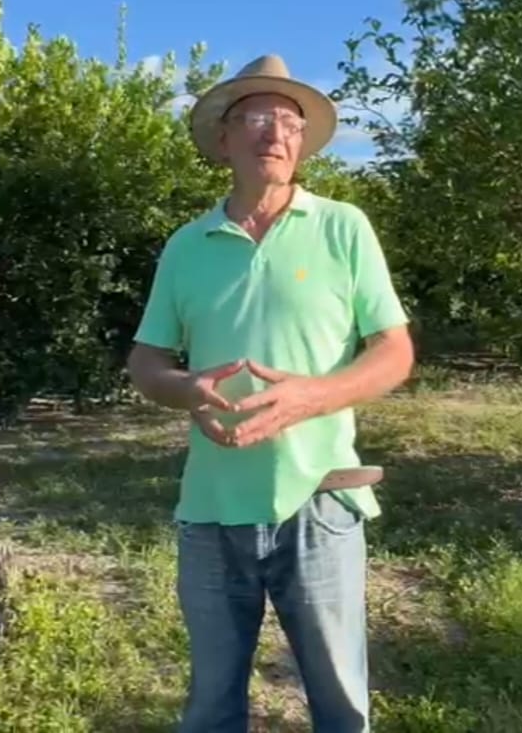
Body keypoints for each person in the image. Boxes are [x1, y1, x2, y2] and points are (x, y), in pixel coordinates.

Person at [126, 54, 415, 732]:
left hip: (320, 500)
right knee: (210, 708)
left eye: (289, 119)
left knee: (341, 707)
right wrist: (184, 387)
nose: (275, 131)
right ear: (223, 140)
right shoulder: (187, 245)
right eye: (256, 117)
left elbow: (395, 349)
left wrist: (311, 397)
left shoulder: (343, 226)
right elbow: (146, 360)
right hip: (211, 510)